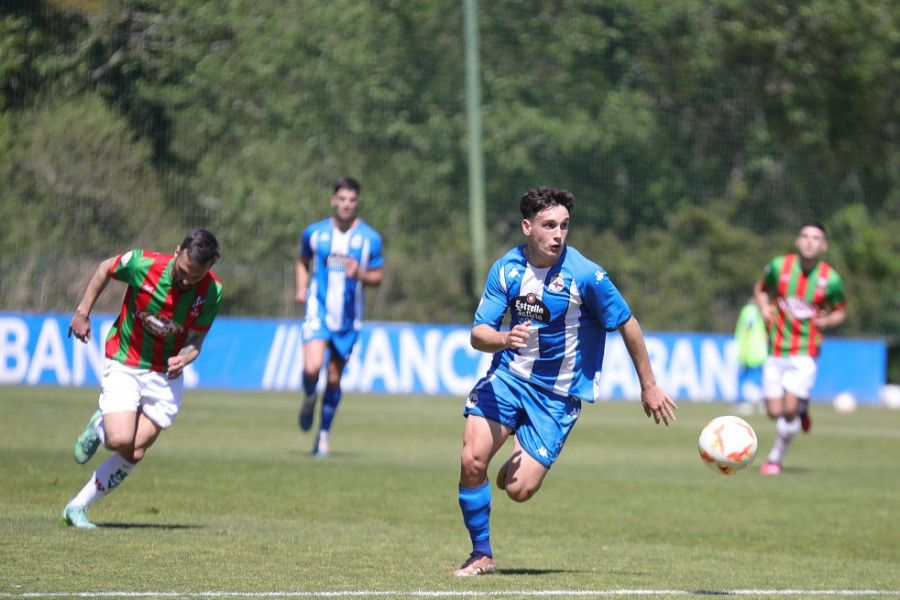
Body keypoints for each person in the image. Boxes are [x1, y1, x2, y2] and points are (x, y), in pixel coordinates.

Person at [452, 186, 677, 577]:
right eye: (549, 225)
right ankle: (481, 554)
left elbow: (627, 323)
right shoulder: (506, 269)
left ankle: (517, 456)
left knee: (519, 491)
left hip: (556, 395)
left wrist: (649, 385)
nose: (558, 234)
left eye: (564, 226)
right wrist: (505, 339)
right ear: (527, 227)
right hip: (508, 376)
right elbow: (478, 334)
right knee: (472, 460)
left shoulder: (586, 274)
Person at [61, 228, 223, 529]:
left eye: (195, 277)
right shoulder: (142, 264)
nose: (186, 281)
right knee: (120, 439)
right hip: (126, 360)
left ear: (208, 269)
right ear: (177, 252)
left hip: (164, 374)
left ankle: (77, 507)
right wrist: (83, 312)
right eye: (183, 272)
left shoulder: (212, 292)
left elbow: (196, 341)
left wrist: (184, 357)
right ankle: (100, 425)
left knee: (135, 450)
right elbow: (104, 269)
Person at [295, 176, 384, 457]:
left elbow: (378, 277)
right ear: (333, 200)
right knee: (312, 368)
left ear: (357, 203)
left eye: (352, 200)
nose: (346, 205)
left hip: (348, 320)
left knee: (333, 380)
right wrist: (301, 287)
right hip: (318, 310)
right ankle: (310, 396)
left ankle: (323, 436)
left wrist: (359, 274)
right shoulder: (315, 233)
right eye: (342, 199)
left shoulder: (370, 238)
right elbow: (302, 260)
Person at [753, 221, 846, 476]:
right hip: (776, 348)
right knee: (774, 412)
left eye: (815, 238)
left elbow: (840, 312)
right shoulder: (778, 266)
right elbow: (761, 289)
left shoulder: (831, 279)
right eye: (805, 236)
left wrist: (827, 320)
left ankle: (774, 459)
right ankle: (802, 408)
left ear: (823, 245)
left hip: (806, 350)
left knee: (789, 410)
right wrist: (763, 307)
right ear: (797, 241)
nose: (809, 241)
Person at [733, 297, 769, 415]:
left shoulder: (749, 310)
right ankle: (755, 402)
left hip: (749, 349)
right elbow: (749, 326)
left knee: (744, 377)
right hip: (752, 350)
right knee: (758, 377)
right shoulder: (751, 311)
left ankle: (744, 401)